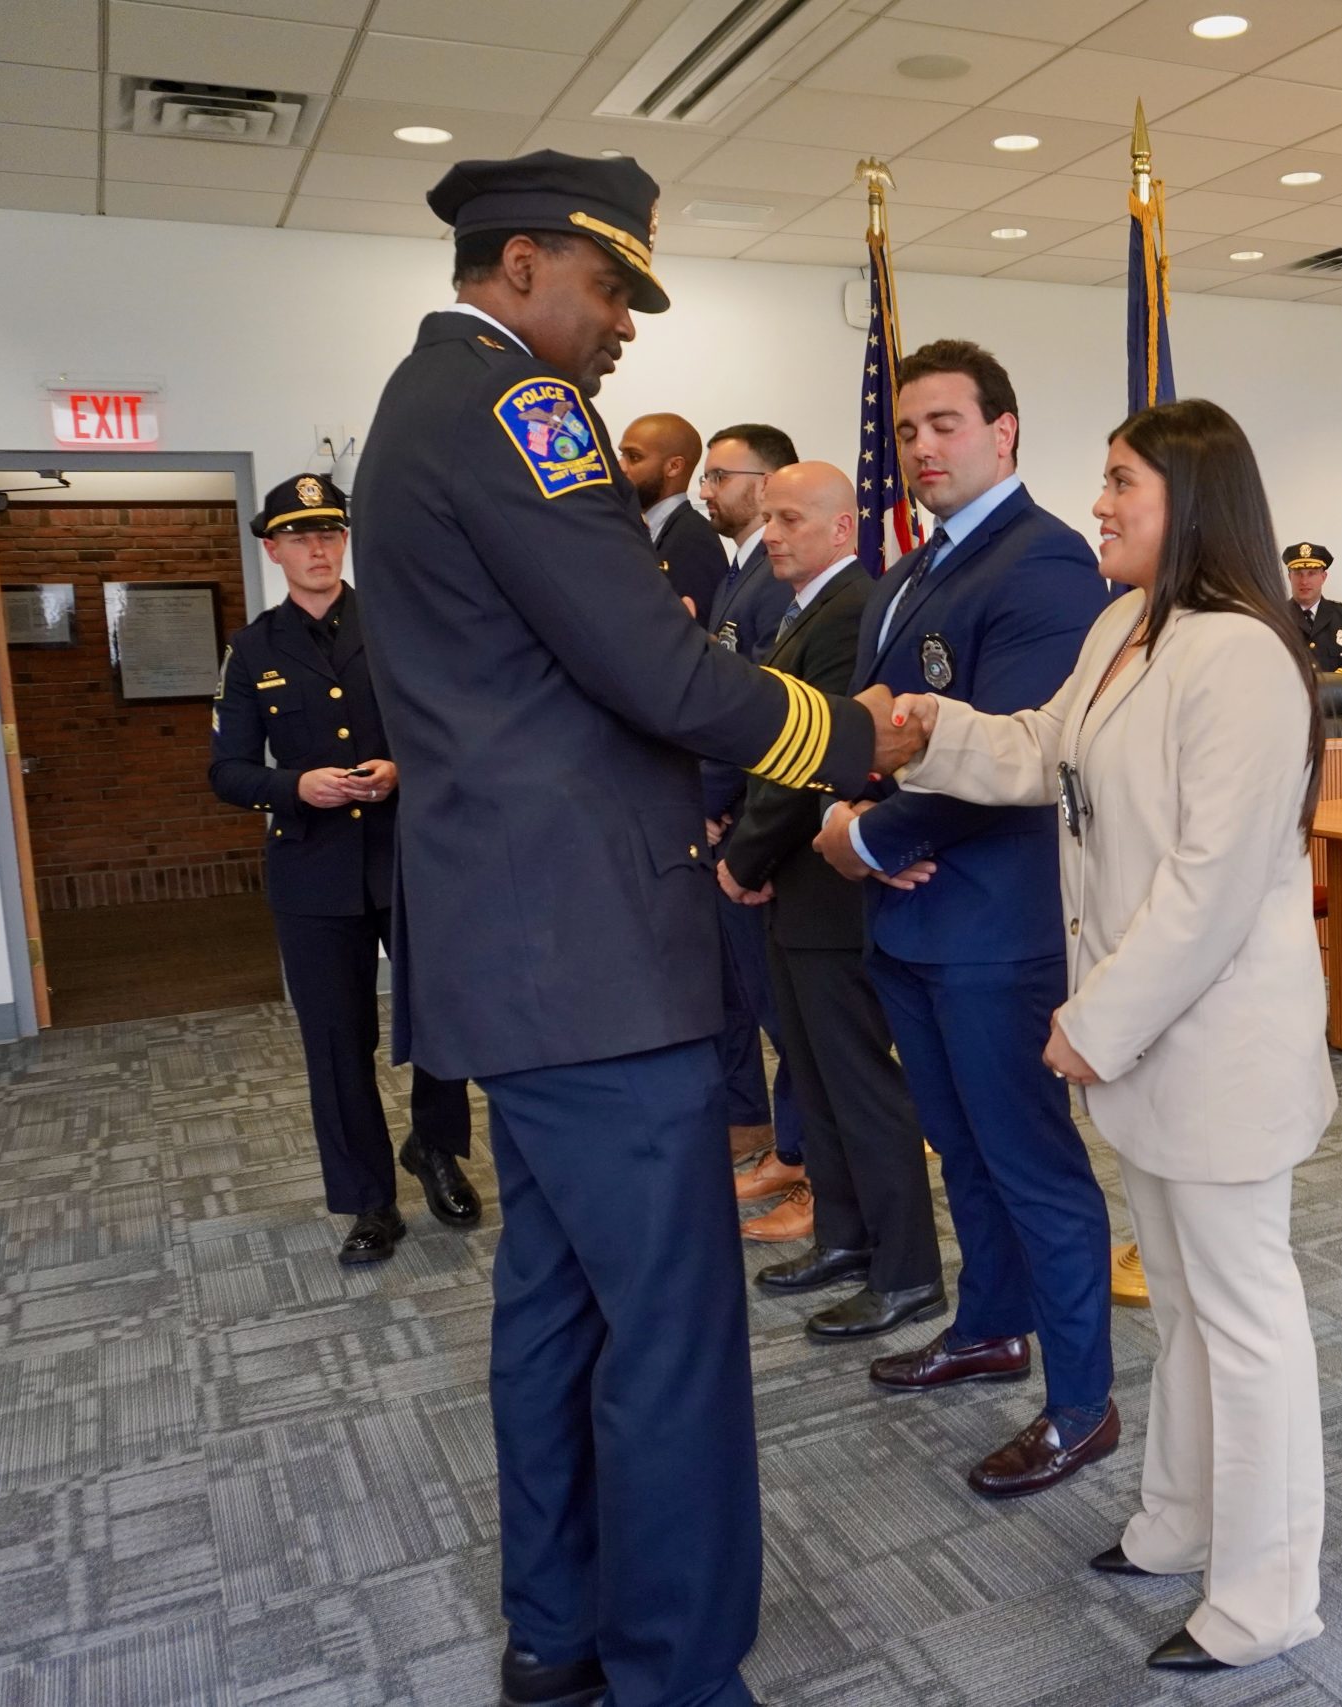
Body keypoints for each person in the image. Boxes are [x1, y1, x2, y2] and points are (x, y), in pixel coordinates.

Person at [349, 149, 912, 1707]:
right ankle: (674, 1669)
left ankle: (560, 1633)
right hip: (595, 964)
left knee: (557, 1306)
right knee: (666, 1336)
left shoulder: (422, 410)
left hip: (520, 960)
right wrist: (857, 735)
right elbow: (655, 673)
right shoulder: (514, 411)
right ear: (520, 266)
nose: (622, 327)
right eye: (609, 288)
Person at [890, 398, 1333, 1673]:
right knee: (1187, 1306)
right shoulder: (1123, 628)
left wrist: (1092, 1021)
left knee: (1246, 1317)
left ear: (1189, 498)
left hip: (1213, 1044)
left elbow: (1211, 882)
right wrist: (929, 733)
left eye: (1121, 482)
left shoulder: (1241, 654)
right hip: (1148, 1048)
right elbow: (1043, 754)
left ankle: (1266, 1595)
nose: (1097, 502)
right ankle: (1180, 1525)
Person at [811, 337, 1118, 1498]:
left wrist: (869, 841)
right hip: (909, 928)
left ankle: (1082, 1403)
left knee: (1032, 1165)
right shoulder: (905, 574)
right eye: (908, 430)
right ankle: (992, 1325)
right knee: (966, 1154)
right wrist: (853, 813)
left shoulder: (1042, 566)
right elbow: (874, 728)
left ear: (1006, 431)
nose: (923, 447)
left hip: (994, 925)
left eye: (946, 423)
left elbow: (1016, 757)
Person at [207, 472, 477, 1267]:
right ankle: (368, 1199)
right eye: (299, 535)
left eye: (329, 532)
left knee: (439, 1015)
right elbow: (227, 771)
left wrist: (399, 768)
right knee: (336, 1040)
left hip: (407, 856)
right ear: (273, 548)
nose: (317, 547)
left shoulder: (397, 624)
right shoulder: (253, 648)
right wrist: (296, 785)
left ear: (345, 541)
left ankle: (434, 1146)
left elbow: (450, 730)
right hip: (312, 871)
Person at [720, 463, 945, 1337]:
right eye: (766, 517)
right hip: (798, 885)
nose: (771, 532)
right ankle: (847, 1238)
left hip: (830, 886)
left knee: (859, 1084)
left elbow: (808, 756)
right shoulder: (803, 608)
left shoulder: (849, 607)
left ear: (842, 529)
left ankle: (907, 1270)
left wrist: (743, 856)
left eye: (790, 517)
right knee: (814, 1078)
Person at [695, 422, 811, 1230]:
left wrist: (726, 813)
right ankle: (791, 1149)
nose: (707, 490)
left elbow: (764, 717)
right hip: (731, 817)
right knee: (765, 1002)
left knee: (790, 1012)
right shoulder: (741, 575)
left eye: (720, 475)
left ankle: (804, 1162)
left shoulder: (776, 585)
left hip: (758, 826)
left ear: (766, 482)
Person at [621, 410, 730, 626]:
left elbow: (690, 635)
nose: (621, 467)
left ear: (674, 466)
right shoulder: (640, 528)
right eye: (621, 455)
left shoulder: (694, 540)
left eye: (633, 457)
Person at [1284, 541, 1342, 676]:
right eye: (1298, 573)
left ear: (1323, 577)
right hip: (1289, 695)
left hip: (1335, 696)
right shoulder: (1276, 617)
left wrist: (1326, 688)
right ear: (1289, 577)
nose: (1304, 581)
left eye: (1311, 573)